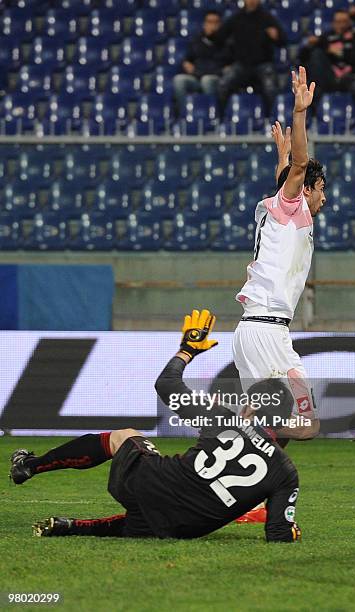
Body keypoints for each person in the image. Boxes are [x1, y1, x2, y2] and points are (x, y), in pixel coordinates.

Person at [11, 309, 303, 543]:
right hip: (185, 527)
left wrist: (187, 350)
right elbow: (278, 533)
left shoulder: (225, 418)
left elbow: (166, 385)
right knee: (163, 517)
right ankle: (75, 526)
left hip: (146, 485)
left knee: (126, 437)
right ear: (282, 421)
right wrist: (291, 532)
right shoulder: (287, 473)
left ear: (250, 405)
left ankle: (31, 465)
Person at [233, 66, 325, 436]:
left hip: (253, 329)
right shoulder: (294, 208)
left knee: (257, 426)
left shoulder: (278, 211)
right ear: (307, 189)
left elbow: (287, 175)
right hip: (268, 332)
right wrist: (299, 114)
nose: (324, 198)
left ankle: (227, 458)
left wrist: (281, 156)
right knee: (307, 425)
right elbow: (300, 168)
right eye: (321, 189)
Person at [211, 0, 287, 114]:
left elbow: (283, 40)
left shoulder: (267, 18)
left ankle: (273, 121)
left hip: (263, 63)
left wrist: (277, 36)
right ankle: (220, 118)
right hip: (241, 64)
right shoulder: (236, 18)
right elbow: (218, 39)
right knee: (223, 85)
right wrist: (211, 32)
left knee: (270, 88)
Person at [302, 9, 355, 114]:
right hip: (330, 78)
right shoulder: (326, 38)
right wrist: (310, 46)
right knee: (316, 56)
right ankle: (315, 118)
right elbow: (303, 58)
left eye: (344, 22)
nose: (341, 25)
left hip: (351, 77)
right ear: (333, 23)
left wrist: (341, 53)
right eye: (338, 22)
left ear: (349, 23)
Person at [172, 10, 229, 113]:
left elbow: (229, 65)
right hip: (196, 77)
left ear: (220, 25)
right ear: (204, 24)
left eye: (216, 22)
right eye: (209, 22)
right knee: (179, 80)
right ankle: (185, 114)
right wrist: (186, 64)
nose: (212, 26)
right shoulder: (196, 40)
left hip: (217, 79)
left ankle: (212, 113)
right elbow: (187, 60)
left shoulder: (226, 42)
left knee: (207, 80)